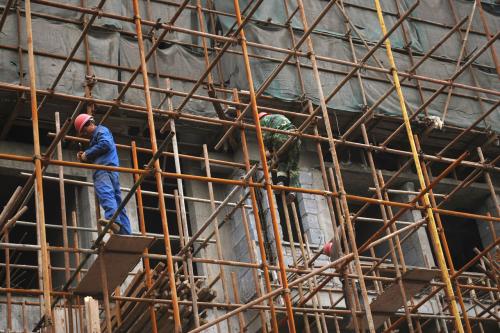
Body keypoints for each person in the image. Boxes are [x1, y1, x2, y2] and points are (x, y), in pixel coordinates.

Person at [74, 114, 132, 235]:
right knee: (117, 201)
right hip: (110, 169)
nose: (85, 134)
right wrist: (85, 156)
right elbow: (101, 151)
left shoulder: (101, 131)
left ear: (89, 124)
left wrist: (87, 154)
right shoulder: (98, 135)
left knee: (106, 194)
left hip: (103, 169)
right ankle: (125, 233)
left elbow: (105, 144)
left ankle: (113, 220)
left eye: (84, 131)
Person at [258, 112, 301, 202]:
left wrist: (269, 151)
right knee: (294, 165)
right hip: (295, 138)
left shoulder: (263, 121)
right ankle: (293, 190)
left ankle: (280, 183)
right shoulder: (280, 116)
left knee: (281, 161)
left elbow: (266, 137)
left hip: (281, 138)